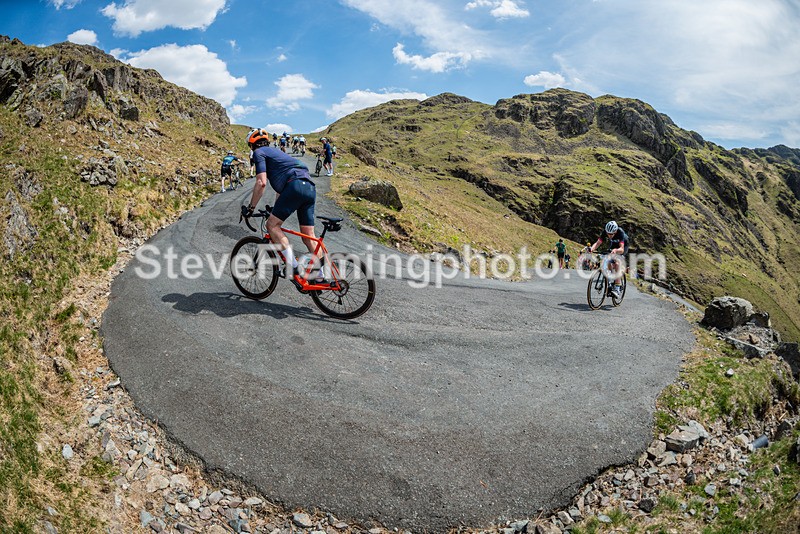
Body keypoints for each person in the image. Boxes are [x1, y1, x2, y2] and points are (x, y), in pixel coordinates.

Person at [242, 128, 322, 281]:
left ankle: (293, 267)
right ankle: (321, 276)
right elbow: (282, 189)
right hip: (309, 187)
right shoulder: (279, 154)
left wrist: (251, 208)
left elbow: (261, 182)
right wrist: (275, 208)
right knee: (308, 237)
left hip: (295, 186)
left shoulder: (259, 153)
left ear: (251, 146)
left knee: (272, 226)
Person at [589, 220, 629, 299]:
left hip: (623, 246)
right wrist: (591, 249)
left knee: (617, 263)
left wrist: (616, 251)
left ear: (615, 231)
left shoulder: (620, 233)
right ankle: (611, 279)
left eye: (611, 234)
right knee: (607, 260)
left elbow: (621, 249)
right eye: (608, 234)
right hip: (613, 245)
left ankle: (617, 287)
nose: (609, 235)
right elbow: (598, 243)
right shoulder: (605, 232)